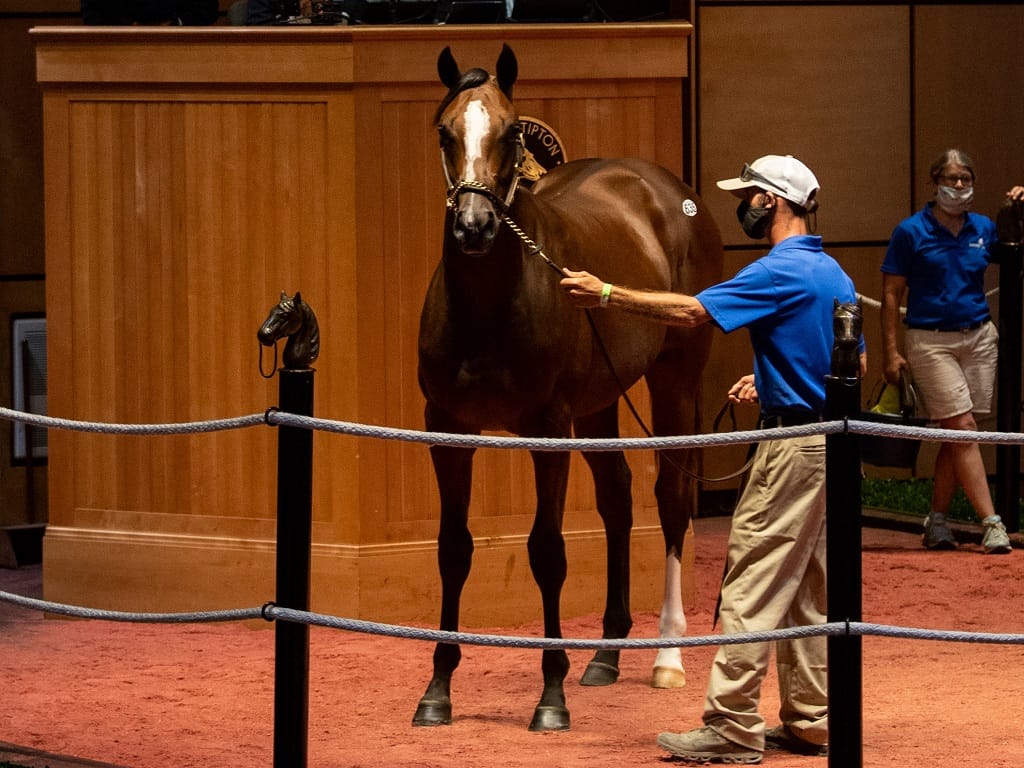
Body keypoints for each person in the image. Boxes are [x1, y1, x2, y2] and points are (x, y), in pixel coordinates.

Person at [560, 154, 864, 764]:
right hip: (828, 440)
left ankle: (730, 724)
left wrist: (608, 293)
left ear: (773, 202)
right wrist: (773, 377)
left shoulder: (776, 270)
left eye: (749, 195)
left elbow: (691, 311)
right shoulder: (831, 272)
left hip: (790, 448)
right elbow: (842, 359)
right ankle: (810, 718)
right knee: (807, 587)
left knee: (748, 580)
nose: (742, 206)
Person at [881, 148, 1024, 554]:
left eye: (966, 178)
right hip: (930, 341)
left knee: (958, 433)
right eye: (951, 178)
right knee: (962, 429)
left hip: (979, 337)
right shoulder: (911, 231)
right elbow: (891, 295)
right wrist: (891, 352)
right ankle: (991, 523)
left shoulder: (983, 227)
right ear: (935, 182)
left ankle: (937, 521)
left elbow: (1014, 249)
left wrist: (1020, 209)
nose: (959, 186)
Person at [81, 0, 219, 25]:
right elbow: (91, 13)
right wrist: (124, 27)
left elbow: (208, 8)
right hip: (118, 51)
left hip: (177, 47)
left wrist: (175, 24)